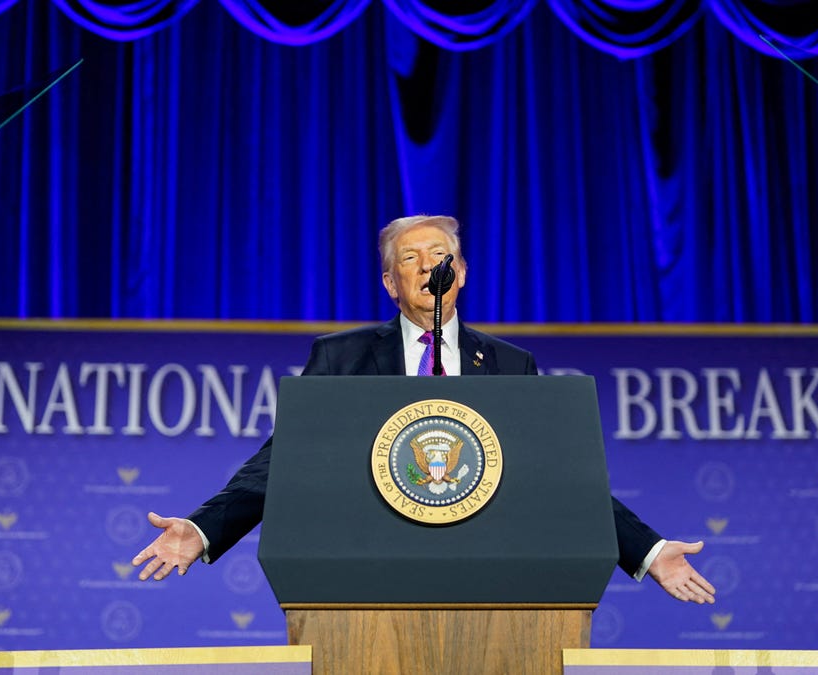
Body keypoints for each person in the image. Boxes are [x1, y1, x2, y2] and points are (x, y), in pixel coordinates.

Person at [132, 215, 716, 605]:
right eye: (410, 257)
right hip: (366, 582)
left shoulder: (511, 364)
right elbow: (283, 463)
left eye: (441, 255)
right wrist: (205, 527)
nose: (427, 265)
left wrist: (650, 550)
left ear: (458, 274)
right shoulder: (340, 357)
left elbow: (559, 478)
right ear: (391, 281)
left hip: (490, 582)